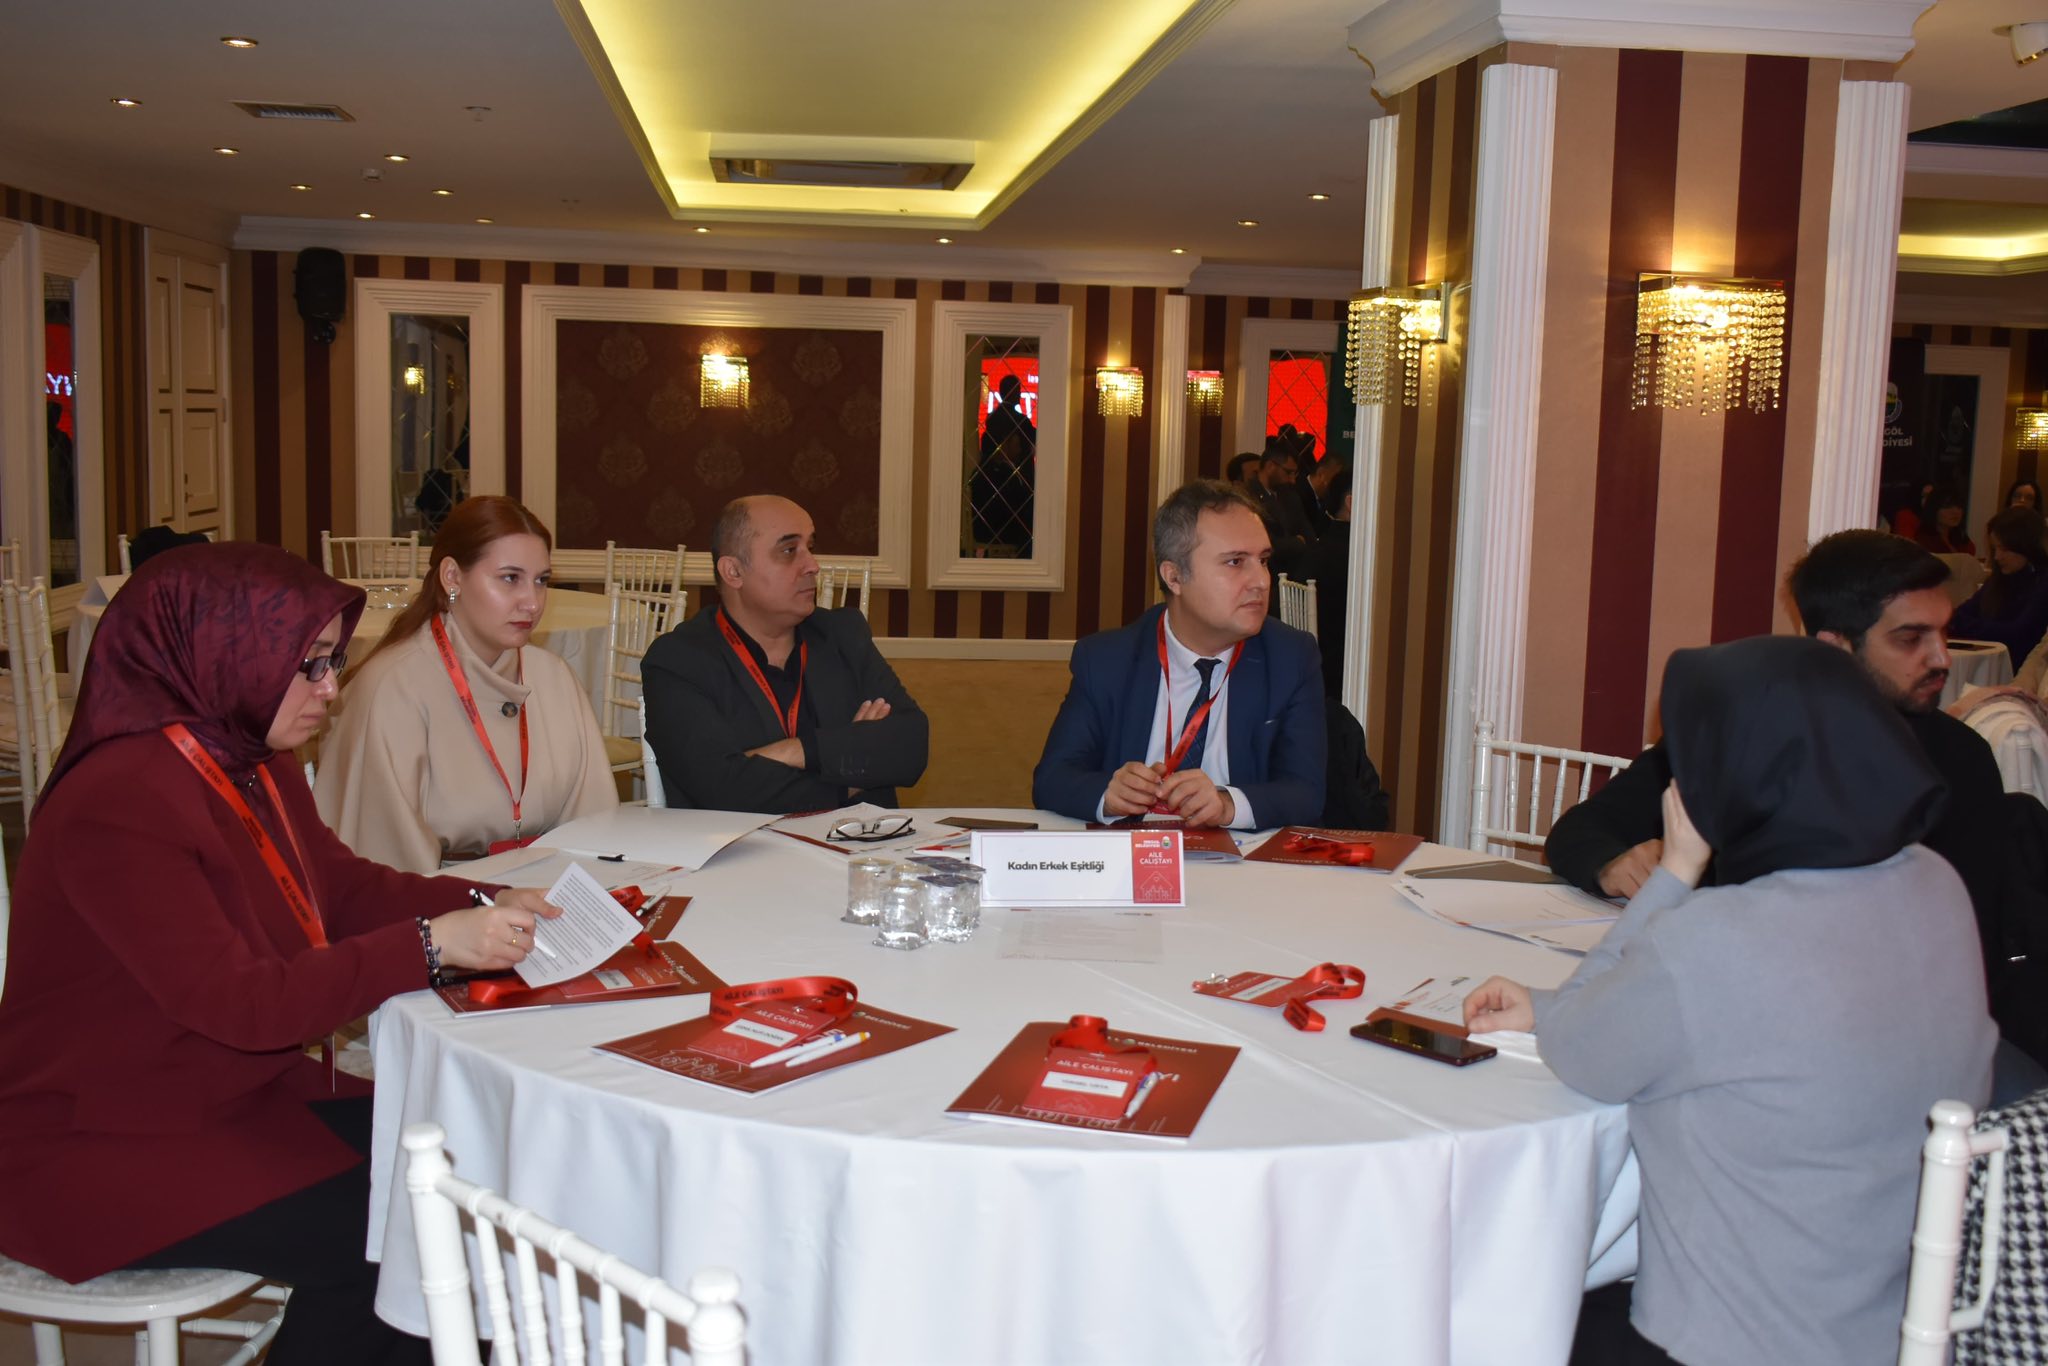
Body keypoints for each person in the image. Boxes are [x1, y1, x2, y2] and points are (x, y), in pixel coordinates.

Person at [0, 542, 556, 1365]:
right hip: (99, 1135)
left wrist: (483, 900)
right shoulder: (118, 799)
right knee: (406, 1235)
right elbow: (244, 1005)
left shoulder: (251, 759)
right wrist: (430, 946)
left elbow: (339, 887)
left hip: (218, 1090)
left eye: (333, 662)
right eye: (309, 666)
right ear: (224, 655)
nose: (331, 690)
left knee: (467, 1165)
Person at [1465, 636, 1995, 1366]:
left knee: (1484, 1315)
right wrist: (1550, 1005)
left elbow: (1580, 1051)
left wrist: (1676, 870)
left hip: (1733, 1339)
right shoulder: (1935, 885)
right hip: (1900, 1322)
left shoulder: (1717, 937)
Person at [315, 496, 617, 874]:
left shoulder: (554, 677)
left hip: (552, 887)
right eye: (510, 578)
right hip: (444, 896)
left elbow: (595, 827)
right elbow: (387, 866)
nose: (532, 602)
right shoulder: (392, 688)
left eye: (541, 581)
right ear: (453, 577)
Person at [1032, 479, 1325, 828]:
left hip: (1242, 856)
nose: (1261, 581)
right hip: (1132, 851)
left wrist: (1227, 803)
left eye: (1262, 560)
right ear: (1174, 577)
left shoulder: (1290, 657)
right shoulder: (1106, 660)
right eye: (1235, 562)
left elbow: (1306, 793)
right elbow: (1053, 778)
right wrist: (1107, 794)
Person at [642, 494, 928, 812]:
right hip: (744, 844)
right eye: (789, 551)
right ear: (733, 571)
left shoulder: (841, 634)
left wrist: (796, 751)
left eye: (810, 547)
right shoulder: (679, 661)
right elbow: (720, 788)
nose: (813, 566)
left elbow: (911, 746)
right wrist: (849, 769)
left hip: (853, 840)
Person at [1949, 505, 2048, 665]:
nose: (1997, 556)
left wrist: (1973, 626)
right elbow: (1959, 615)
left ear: (2026, 546)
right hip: (1990, 662)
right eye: (1995, 548)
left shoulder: (2042, 582)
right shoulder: (2000, 579)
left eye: (2004, 549)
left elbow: (2018, 633)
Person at [1913, 488, 1974, 554]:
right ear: (1934, 509)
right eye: (1947, 507)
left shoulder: (1960, 537)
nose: (1956, 512)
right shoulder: (1924, 540)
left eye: (1959, 507)